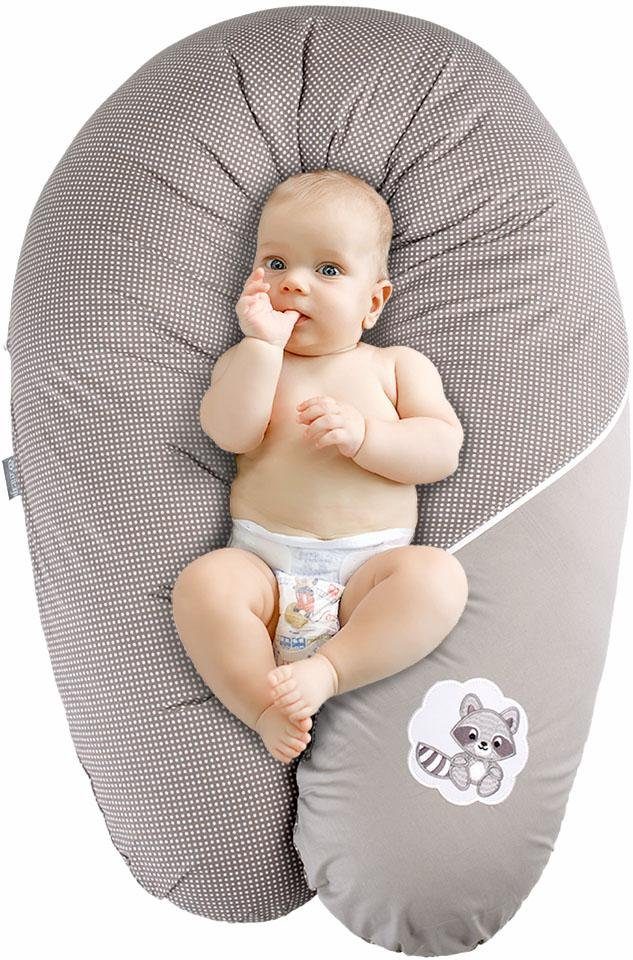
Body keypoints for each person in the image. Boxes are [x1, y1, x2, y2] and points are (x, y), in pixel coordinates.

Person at [171, 169, 468, 764]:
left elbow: (441, 450)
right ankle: (262, 705)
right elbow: (228, 431)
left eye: (327, 270)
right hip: (265, 566)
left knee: (438, 580)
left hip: (367, 577)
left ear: (372, 302)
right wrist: (260, 347)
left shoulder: (395, 367)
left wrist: (367, 438)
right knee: (203, 585)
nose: (294, 283)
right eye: (275, 263)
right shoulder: (249, 362)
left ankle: (330, 670)